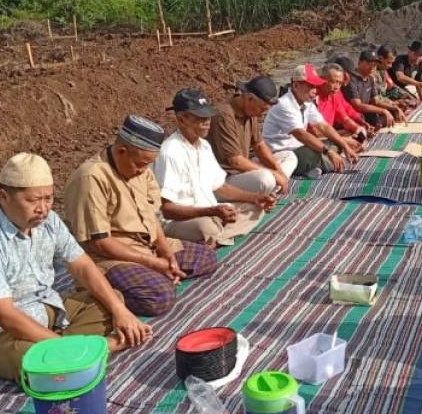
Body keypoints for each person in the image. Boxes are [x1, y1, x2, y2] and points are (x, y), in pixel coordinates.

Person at [0, 153, 153, 383]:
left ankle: (65, 351)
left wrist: (120, 311)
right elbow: (3, 315)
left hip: (42, 310)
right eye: (33, 200)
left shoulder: (49, 221)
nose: (43, 208)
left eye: (48, 198)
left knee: (110, 299)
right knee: (31, 364)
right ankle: (93, 348)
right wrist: (64, 347)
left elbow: (83, 265)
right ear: (4, 196)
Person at [63, 115, 217, 317]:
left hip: (146, 246)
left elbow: (152, 219)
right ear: (121, 151)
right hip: (110, 258)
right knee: (160, 296)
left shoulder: (141, 169)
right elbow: (99, 244)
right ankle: (107, 290)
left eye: (147, 165)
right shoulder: (91, 177)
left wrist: (167, 255)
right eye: (140, 164)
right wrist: (152, 263)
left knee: (206, 258)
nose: (143, 171)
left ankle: (151, 276)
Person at [154, 88, 275, 248]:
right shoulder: (170, 152)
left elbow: (220, 187)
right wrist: (211, 212)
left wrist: (254, 198)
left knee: (255, 208)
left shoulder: (203, 146)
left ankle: (216, 236)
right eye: (199, 118)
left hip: (210, 213)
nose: (207, 122)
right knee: (205, 226)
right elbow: (168, 210)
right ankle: (216, 235)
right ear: (182, 119)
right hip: (181, 221)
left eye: (208, 117)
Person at [262, 64, 360, 178]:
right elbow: (301, 135)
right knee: (317, 154)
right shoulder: (285, 105)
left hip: (299, 148)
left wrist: (344, 146)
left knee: (334, 143)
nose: (314, 91)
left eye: (315, 86)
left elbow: (324, 126)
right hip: (283, 153)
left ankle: (313, 167)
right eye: (310, 86)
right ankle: (331, 163)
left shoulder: (307, 102)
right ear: (296, 85)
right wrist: (329, 152)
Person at [208, 75, 295, 197]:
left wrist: (279, 172)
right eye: (261, 109)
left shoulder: (250, 112)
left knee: (288, 156)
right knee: (266, 179)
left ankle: (273, 188)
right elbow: (235, 162)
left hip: (241, 171)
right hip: (224, 179)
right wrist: (273, 174)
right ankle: (268, 190)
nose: (261, 115)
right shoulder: (224, 115)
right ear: (249, 99)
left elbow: (259, 146)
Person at [341, 50, 405, 127]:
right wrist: (384, 111)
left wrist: (395, 108)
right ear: (360, 62)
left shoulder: (370, 78)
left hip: (367, 113)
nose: (372, 67)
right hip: (354, 115)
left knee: (394, 114)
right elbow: (358, 106)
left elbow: (376, 101)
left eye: (374, 65)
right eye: (369, 63)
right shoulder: (351, 79)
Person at [315, 62, 372, 140]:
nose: (337, 87)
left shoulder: (334, 95)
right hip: (317, 139)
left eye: (339, 83)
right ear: (322, 79)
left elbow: (345, 119)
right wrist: (342, 138)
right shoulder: (313, 98)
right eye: (333, 82)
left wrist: (358, 128)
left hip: (328, 134)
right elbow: (316, 133)